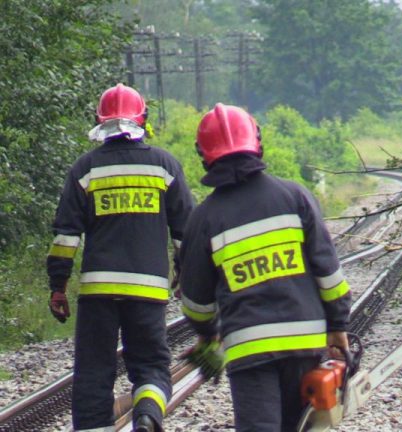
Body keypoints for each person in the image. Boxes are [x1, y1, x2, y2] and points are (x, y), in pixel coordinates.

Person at [178, 103, 351, 432]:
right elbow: (329, 275)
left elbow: (196, 303)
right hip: (304, 342)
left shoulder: (204, 218)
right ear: (256, 141)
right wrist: (338, 326)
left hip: (249, 351)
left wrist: (208, 335)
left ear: (204, 154)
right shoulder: (295, 197)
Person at [46, 83, 195, 432]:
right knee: (152, 366)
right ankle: (147, 416)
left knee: (93, 373)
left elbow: (66, 237)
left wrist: (58, 285)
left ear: (100, 121)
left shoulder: (85, 169)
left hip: (98, 293)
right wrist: (185, 275)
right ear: (142, 119)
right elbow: (186, 233)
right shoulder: (164, 166)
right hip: (147, 291)